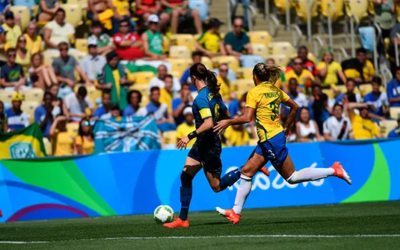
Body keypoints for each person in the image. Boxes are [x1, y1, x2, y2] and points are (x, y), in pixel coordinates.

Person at [213, 63, 351, 224]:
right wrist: (287, 126)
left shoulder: (254, 92)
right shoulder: (275, 90)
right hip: (271, 138)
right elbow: (295, 106)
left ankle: (333, 170)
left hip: (270, 139)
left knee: (292, 177)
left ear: (255, 77)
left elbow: (247, 118)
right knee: (247, 172)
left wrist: (228, 122)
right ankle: (235, 212)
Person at [163, 63, 242, 229]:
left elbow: (208, 123)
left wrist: (188, 136)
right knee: (185, 176)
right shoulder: (214, 93)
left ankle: (247, 170)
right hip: (202, 145)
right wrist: (220, 127)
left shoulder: (200, 98)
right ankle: (183, 219)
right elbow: (226, 114)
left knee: (217, 187)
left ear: (193, 78)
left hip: (209, 147)